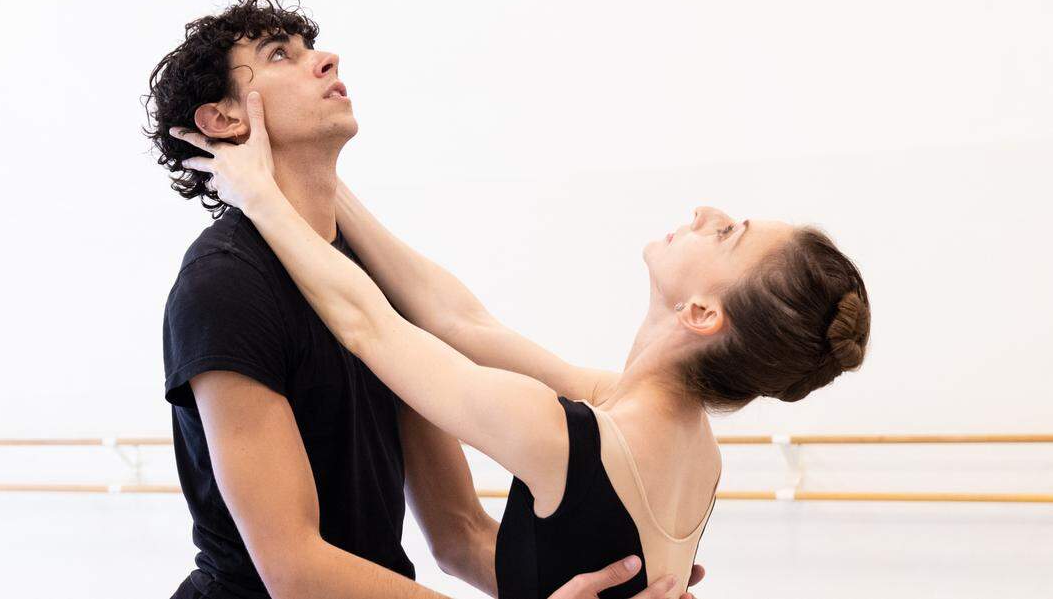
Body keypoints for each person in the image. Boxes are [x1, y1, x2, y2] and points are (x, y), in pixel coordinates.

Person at [167, 80, 871, 597]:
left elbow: (369, 323)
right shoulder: (683, 445)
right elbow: (461, 322)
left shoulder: (566, 436)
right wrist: (316, 179)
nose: (706, 211)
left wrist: (260, 193)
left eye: (727, 234)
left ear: (700, 313)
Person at [146, 0, 701, 599]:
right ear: (224, 120)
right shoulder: (223, 283)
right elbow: (296, 571)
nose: (327, 59)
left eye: (311, 47)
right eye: (281, 55)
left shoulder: (370, 282)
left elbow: (459, 533)